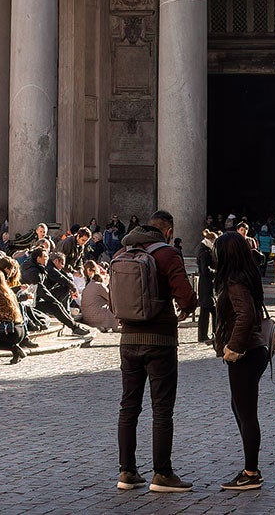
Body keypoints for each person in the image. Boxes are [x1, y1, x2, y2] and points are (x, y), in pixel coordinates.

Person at [113, 209, 198, 494]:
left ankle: (127, 472)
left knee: (129, 406)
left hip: (128, 339)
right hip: (160, 340)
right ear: (168, 231)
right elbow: (185, 295)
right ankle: (161, 474)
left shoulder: (122, 252)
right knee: (162, 409)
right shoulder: (167, 254)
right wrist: (188, 306)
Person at [208, 230, 269, 492]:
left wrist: (233, 347)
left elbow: (244, 315)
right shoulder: (247, 276)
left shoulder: (234, 282)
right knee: (240, 409)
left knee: (246, 413)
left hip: (245, 353)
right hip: (254, 352)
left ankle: (251, 472)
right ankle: (250, 468)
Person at [36, 250, 91, 337]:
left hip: (42, 296)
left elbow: (64, 277)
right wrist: (72, 287)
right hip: (36, 301)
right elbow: (59, 276)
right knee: (56, 305)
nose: (62, 266)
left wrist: (72, 287)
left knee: (65, 290)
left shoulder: (50, 266)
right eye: (45, 257)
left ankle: (68, 316)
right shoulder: (47, 268)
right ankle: (72, 323)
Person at [79, 261, 119, 332]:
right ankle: (109, 325)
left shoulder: (87, 287)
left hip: (87, 318)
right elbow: (112, 298)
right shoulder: (99, 286)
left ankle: (101, 326)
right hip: (98, 316)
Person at [196, 229, 217, 343]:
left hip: (206, 284)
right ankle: (208, 334)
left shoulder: (205, 250)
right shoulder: (204, 251)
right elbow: (205, 269)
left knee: (208, 310)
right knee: (210, 310)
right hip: (206, 284)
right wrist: (216, 272)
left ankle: (206, 334)